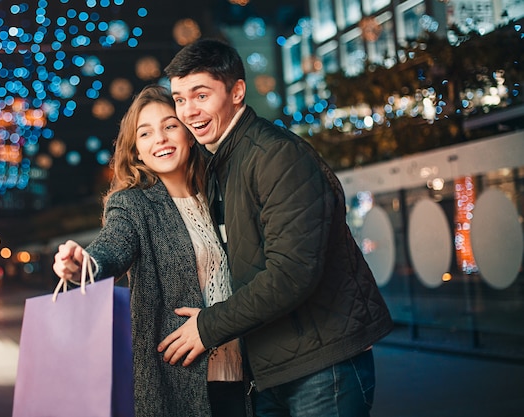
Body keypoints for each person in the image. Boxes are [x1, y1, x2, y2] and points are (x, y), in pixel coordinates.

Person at [157, 39, 394, 417]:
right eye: (180, 99)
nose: (189, 111)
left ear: (237, 91)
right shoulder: (223, 161)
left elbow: (292, 273)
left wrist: (207, 328)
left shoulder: (276, 156)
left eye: (200, 95)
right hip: (274, 368)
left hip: (322, 366)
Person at [52, 85, 250, 417]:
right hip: (179, 378)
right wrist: (83, 264)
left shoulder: (220, 192)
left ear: (189, 134)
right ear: (137, 152)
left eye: (170, 126)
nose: (160, 138)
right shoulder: (132, 204)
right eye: (146, 133)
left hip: (243, 372)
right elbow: (114, 246)